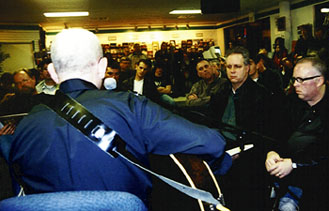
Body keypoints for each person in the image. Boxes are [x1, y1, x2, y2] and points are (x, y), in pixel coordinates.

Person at [8, 29, 232, 208]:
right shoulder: (129, 106)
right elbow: (211, 142)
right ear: (104, 66)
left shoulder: (25, 126)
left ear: (53, 72)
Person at [265, 57, 329, 211]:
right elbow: (275, 135)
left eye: (300, 80)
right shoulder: (291, 103)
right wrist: (271, 153)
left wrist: (294, 164)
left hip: (324, 187)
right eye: (294, 79)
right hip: (287, 180)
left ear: (319, 81)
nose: (295, 84)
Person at [209, 46, 283, 210]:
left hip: (251, 165)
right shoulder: (219, 93)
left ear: (248, 68)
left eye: (237, 66)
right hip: (220, 157)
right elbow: (211, 125)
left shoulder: (262, 96)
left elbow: (270, 135)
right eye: (229, 67)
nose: (232, 71)